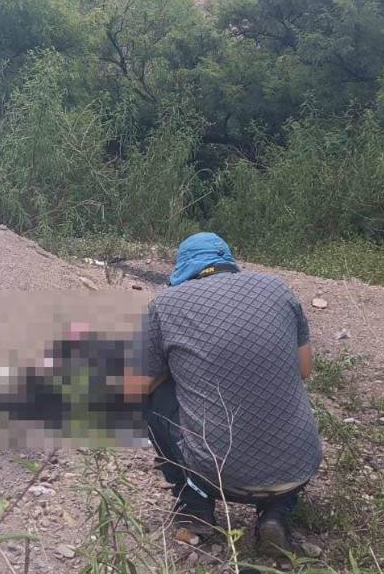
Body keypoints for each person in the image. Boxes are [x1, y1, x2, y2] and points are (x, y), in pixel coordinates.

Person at [125, 233, 323, 554]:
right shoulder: (278, 290)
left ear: (184, 269)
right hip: (298, 470)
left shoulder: (165, 305)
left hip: (220, 474)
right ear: (228, 263)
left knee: (151, 397)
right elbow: (303, 369)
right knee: (280, 389)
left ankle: (196, 508)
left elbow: (135, 386)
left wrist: (174, 369)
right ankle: (276, 512)